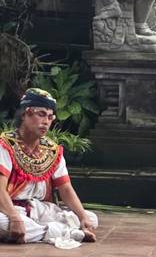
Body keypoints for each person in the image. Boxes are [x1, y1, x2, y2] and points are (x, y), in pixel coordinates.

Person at [0, 88, 98, 247]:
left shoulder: (52, 150)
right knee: (2, 222)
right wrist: (15, 218)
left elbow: (65, 188)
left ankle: (43, 230)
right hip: (9, 208)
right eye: (41, 114)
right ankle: (66, 232)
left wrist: (82, 217)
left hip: (38, 209)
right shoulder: (4, 146)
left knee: (91, 218)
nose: (46, 121)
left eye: (50, 116)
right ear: (25, 114)